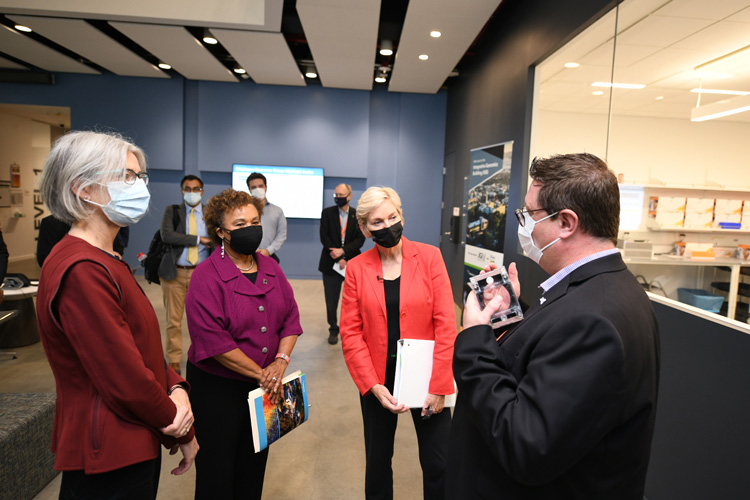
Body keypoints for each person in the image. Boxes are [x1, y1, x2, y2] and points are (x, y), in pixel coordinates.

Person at [446, 153, 660, 500]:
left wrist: (473, 342)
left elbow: (526, 446)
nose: (524, 224)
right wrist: (511, 312)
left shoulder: (592, 322)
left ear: (566, 222)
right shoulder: (602, 290)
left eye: (529, 214)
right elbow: (548, 348)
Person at [35, 131, 198, 499]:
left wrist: (175, 386)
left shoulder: (105, 258)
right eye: (126, 176)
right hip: (109, 450)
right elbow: (124, 378)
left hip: (129, 438)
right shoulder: (82, 270)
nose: (139, 186)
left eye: (140, 177)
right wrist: (181, 426)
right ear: (84, 189)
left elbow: (138, 347)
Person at [185, 188, 303, 500]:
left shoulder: (270, 268)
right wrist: (264, 374)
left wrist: (280, 361)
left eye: (254, 221)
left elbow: (291, 318)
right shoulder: (206, 276)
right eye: (239, 224)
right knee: (216, 473)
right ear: (221, 232)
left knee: (253, 467)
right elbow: (214, 341)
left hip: (263, 388)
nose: (250, 229)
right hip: (217, 390)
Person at [340, 186, 456, 500]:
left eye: (392, 216)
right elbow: (350, 334)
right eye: (377, 222)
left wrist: (439, 383)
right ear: (364, 229)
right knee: (378, 463)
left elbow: (446, 322)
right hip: (378, 378)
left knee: (439, 462)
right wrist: (372, 385)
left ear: (402, 215)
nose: (387, 225)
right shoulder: (356, 269)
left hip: (427, 377)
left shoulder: (430, 257)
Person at [158, 175, 212, 375]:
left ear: (202, 191)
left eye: (196, 189)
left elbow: (216, 238)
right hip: (175, 274)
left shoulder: (210, 213)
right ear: (182, 191)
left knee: (204, 321)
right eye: (187, 189)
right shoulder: (172, 211)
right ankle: (173, 362)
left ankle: (205, 358)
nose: (192, 192)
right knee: (173, 321)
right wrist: (199, 239)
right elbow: (168, 235)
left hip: (202, 276)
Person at [318, 183, 365, 345]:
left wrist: (343, 252)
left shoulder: (357, 215)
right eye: (336, 195)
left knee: (356, 299)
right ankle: (333, 329)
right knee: (331, 300)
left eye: (341, 195)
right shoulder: (327, 213)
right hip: (330, 262)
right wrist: (338, 257)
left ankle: (354, 329)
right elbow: (324, 237)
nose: (338, 197)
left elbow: (360, 239)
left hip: (352, 262)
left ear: (350, 196)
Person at [246, 172, 286, 263]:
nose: (258, 189)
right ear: (249, 189)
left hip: (269, 257)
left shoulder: (277, 211)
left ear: (266, 187)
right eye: (254, 187)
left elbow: (282, 235)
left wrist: (268, 251)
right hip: (246, 257)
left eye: (260, 186)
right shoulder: (243, 211)